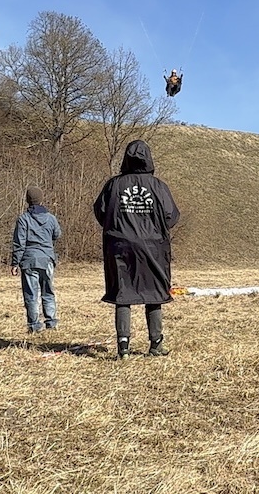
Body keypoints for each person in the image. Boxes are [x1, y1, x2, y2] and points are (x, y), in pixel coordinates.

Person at [93, 140, 181, 359]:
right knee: (154, 292)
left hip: (120, 247)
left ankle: (123, 347)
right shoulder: (158, 186)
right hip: (153, 246)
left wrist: (118, 228)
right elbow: (171, 215)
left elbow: (101, 211)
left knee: (123, 293)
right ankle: (156, 344)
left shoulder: (114, 185)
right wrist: (153, 229)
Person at [11, 187, 62, 333]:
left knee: (31, 294)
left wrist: (15, 263)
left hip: (29, 260)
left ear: (27, 200)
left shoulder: (23, 219)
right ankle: (51, 322)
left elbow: (19, 243)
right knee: (48, 292)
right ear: (41, 199)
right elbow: (57, 234)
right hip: (47, 259)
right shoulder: (51, 218)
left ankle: (34, 325)